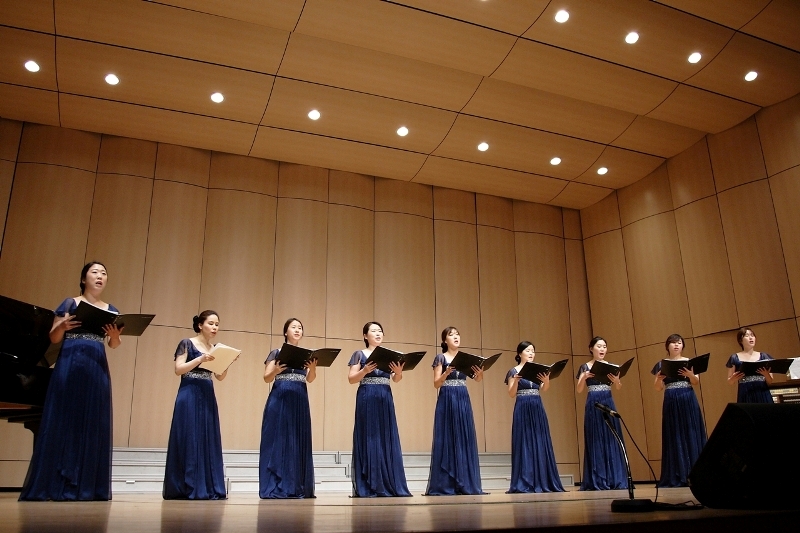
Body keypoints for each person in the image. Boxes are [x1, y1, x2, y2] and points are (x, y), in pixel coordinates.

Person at [19, 262, 122, 501]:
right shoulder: (70, 303)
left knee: (93, 421)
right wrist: (62, 326)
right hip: (70, 364)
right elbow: (54, 338)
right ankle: (57, 481)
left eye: (104, 273)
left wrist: (115, 337)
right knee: (65, 419)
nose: (100, 276)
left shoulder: (111, 309)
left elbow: (113, 345)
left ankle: (87, 485)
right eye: (95, 272)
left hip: (96, 368)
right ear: (84, 278)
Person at [163, 310, 233, 500]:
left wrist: (226, 363)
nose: (215, 327)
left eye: (217, 324)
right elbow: (179, 369)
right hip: (189, 392)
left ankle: (207, 485)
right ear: (200, 325)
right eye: (211, 323)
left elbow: (219, 376)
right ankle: (186, 486)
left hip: (207, 393)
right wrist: (200, 359)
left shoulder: (216, 348)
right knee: (188, 435)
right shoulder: (187, 343)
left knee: (206, 436)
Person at [348, 322, 411, 497]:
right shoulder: (359, 354)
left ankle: (388, 482)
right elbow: (352, 379)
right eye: (374, 331)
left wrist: (398, 372)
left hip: (385, 396)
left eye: (380, 331)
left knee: (385, 437)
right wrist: (365, 370)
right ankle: (369, 483)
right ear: (365, 336)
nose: (378, 334)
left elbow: (396, 379)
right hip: (367, 396)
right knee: (369, 436)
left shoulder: (388, 355)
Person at [259, 318, 317, 499]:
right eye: (293, 327)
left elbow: (310, 379)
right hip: (280, 398)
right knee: (278, 438)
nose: (297, 330)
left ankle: (296, 485)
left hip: (299, 399)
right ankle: (276, 485)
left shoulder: (306, 354)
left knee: (297, 439)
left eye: (300, 327)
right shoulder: (276, 352)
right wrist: (275, 370)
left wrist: (313, 368)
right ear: (285, 332)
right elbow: (266, 378)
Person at [425, 327, 484, 495]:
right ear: (444, 341)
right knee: (447, 437)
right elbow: (436, 383)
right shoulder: (441, 357)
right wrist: (446, 373)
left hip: (462, 397)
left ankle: (465, 482)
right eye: (451, 335)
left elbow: (477, 379)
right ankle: (446, 483)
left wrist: (480, 374)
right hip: (447, 396)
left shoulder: (465, 358)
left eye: (457, 334)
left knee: (464, 437)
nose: (456, 337)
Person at [505, 341, 564, 493]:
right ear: (519, 354)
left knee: (540, 440)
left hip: (537, 405)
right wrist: (517, 381)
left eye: (533, 351)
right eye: (528, 350)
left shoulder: (538, 370)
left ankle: (543, 480)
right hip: (522, 406)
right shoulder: (513, 371)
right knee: (524, 441)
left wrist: (546, 381)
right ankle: (525, 481)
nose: (531, 353)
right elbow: (511, 394)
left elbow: (544, 389)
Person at [652, 334, 707, 487]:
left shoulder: (689, 362)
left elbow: (696, 382)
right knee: (674, 434)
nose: (676, 345)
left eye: (679, 343)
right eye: (673, 343)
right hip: (671, 399)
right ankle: (677, 474)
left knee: (691, 432)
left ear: (683, 346)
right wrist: (658, 379)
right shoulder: (661, 364)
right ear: (667, 346)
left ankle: (695, 474)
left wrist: (690, 375)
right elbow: (658, 388)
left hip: (688, 398)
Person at [575, 336, 627, 491]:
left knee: (612, 438)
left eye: (604, 346)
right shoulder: (585, 366)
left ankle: (615, 478)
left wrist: (617, 381)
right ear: (591, 348)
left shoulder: (611, 366)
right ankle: (598, 479)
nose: (602, 349)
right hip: (593, 402)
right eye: (599, 346)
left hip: (608, 400)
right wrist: (583, 378)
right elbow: (579, 390)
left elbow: (618, 387)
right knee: (595, 438)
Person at [726, 327, 774, 403]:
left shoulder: (764, 356)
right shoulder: (734, 357)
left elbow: (770, 381)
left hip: (761, 390)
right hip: (745, 392)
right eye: (747, 336)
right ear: (740, 340)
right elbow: (730, 381)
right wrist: (734, 378)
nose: (751, 337)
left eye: (752, 335)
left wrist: (766, 374)